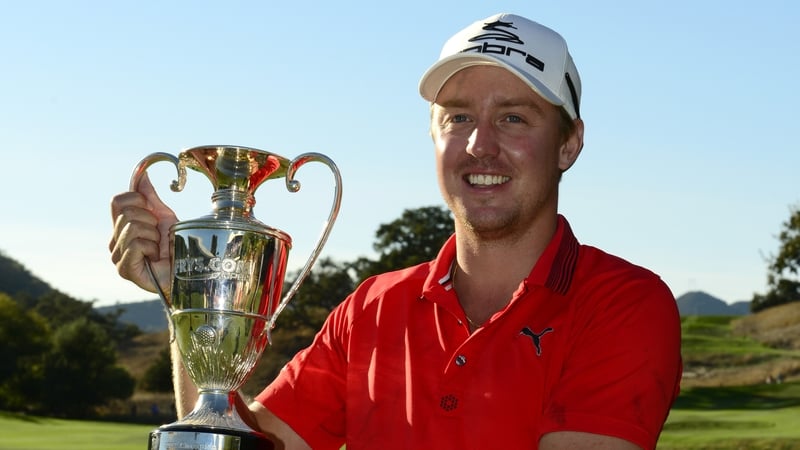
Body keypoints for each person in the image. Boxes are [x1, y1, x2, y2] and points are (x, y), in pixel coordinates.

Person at [110, 12, 682, 450]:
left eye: (513, 117)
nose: (479, 145)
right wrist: (191, 292)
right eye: (458, 117)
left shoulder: (624, 303)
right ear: (433, 137)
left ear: (569, 144)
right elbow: (244, 439)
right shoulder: (371, 309)